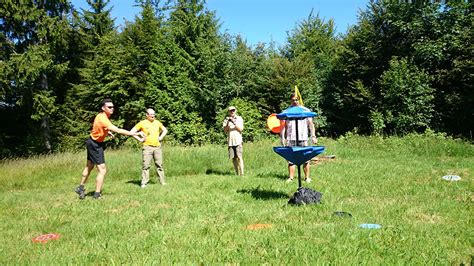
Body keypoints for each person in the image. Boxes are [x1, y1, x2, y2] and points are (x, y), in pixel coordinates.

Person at [75, 99, 145, 199]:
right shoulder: (103, 118)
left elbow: (97, 127)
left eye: (112, 107)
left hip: (93, 142)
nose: (112, 109)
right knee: (102, 170)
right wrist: (135, 133)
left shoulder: (102, 116)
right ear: (103, 108)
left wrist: (106, 132)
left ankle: (80, 188)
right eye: (109, 107)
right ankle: (97, 195)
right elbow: (118, 130)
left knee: (89, 166)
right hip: (95, 145)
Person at [280, 93, 318, 183]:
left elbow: (311, 125)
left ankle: (307, 178)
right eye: (293, 100)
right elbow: (283, 126)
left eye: (296, 99)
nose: (295, 101)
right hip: (291, 138)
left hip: (303, 138)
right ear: (290, 100)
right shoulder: (286, 111)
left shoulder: (305, 110)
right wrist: (282, 138)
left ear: (299, 100)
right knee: (290, 159)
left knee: (306, 158)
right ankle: (291, 178)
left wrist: (313, 136)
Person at [130, 108, 168, 188]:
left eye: (154, 114)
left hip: (157, 147)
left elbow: (165, 130)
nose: (153, 116)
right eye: (151, 114)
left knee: (159, 165)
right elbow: (131, 132)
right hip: (147, 147)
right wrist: (140, 139)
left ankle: (162, 182)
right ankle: (144, 183)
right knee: (146, 165)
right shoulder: (142, 123)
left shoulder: (157, 123)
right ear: (146, 115)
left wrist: (161, 137)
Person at [222, 106, 244, 176]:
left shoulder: (239, 118)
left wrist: (234, 123)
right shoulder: (226, 120)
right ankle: (237, 174)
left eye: (233, 110)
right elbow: (225, 131)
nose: (232, 112)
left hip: (238, 141)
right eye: (230, 111)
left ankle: (242, 174)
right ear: (228, 112)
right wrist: (228, 123)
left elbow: (241, 129)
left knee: (239, 157)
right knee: (234, 158)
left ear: (235, 111)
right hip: (230, 142)